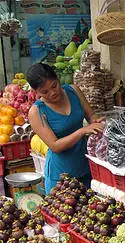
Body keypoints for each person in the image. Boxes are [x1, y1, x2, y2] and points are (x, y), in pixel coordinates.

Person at [26, 63, 104, 193]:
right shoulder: (37, 112)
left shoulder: (73, 91)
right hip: (61, 176)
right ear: (35, 92)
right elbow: (55, 146)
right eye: (44, 92)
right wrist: (82, 131)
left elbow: (91, 115)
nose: (52, 93)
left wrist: (96, 121)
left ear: (57, 78)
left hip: (85, 166)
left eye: (54, 86)